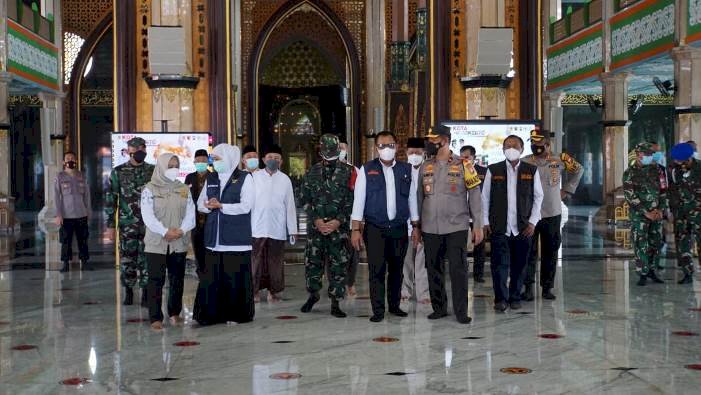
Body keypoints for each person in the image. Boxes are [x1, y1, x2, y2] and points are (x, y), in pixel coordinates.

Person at [417, 125, 484, 324]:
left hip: (457, 225)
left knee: (458, 269)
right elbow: (419, 197)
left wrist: (478, 225)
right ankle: (439, 308)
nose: (430, 143)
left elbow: (475, 196)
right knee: (433, 268)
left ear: (445, 140)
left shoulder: (465, 165)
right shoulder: (425, 166)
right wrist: (417, 226)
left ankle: (461, 311)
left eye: (433, 139)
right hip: (430, 227)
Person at [351, 131, 418, 322]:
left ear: (397, 147)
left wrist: (416, 226)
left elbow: (412, 199)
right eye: (382, 146)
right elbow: (359, 201)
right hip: (375, 229)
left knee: (397, 269)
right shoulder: (366, 169)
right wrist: (356, 230)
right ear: (376, 148)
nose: (386, 149)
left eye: (390, 145)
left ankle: (395, 305)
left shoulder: (407, 169)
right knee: (377, 270)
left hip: (399, 228)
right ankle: (378, 310)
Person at [194, 144, 256, 325]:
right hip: (214, 238)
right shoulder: (211, 177)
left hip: (236, 238)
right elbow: (199, 204)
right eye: (213, 159)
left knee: (234, 278)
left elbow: (246, 206)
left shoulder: (244, 178)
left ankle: (237, 314)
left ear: (229, 159)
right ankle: (211, 315)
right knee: (213, 279)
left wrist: (222, 206)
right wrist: (208, 204)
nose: (214, 162)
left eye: (217, 159)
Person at [482, 135, 543, 312]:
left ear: (522, 149)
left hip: (523, 227)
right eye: (507, 146)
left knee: (520, 265)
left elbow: (538, 197)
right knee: (499, 265)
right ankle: (500, 299)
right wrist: (486, 221)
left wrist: (532, 222)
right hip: (500, 227)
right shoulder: (493, 170)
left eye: (514, 146)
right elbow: (485, 198)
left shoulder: (531, 170)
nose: (511, 149)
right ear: (502, 149)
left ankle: (515, 296)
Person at [521, 130, 583, 301]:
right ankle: (527, 287)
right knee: (528, 252)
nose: (536, 148)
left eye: (539, 145)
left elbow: (579, 170)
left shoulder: (560, 160)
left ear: (548, 145)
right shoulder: (525, 161)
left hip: (552, 212)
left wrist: (568, 189)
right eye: (533, 144)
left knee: (551, 251)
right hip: (530, 214)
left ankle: (547, 287)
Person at [299, 134, 356, 318]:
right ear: (321, 150)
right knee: (312, 264)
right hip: (316, 230)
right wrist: (316, 219)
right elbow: (304, 199)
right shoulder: (312, 172)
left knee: (338, 266)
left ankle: (336, 302)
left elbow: (353, 201)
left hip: (338, 230)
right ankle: (313, 295)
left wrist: (338, 221)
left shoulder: (349, 171)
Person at [141, 153, 196, 330]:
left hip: (178, 241)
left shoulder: (183, 189)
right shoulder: (149, 189)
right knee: (155, 280)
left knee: (177, 279)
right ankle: (155, 317)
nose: (173, 169)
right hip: (156, 243)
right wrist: (165, 232)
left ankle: (174, 313)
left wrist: (180, 231)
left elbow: (190, 214)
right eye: (170, 165)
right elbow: (147, 216)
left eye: (176, 165)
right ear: (161, 166)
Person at [106, 137, 155, 305]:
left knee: (147, 259)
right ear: (129, 151)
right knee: (127, 258)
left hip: (149, 224)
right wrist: (110, 226)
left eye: (142, 148)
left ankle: (146, 293)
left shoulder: (153, 171)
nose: (139, 151)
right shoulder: (118, 172)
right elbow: (110, 198)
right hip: (127, 225)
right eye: (135, 149)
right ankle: (128, 290)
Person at [251, 144, 298, 303]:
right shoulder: (254, 177)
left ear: (281, 161)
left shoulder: (285, 180)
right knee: (255, 261)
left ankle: (274, 292)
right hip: (257, 226)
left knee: (275, 262)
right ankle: (254, 291)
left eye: (276, 158)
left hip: (277, 227)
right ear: (263, 159)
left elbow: (290, 205)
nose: (273, 160)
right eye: (270, 157)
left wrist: (292, 229)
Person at [623, 142, 667, 286]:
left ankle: (652, 271)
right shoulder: (629, 172)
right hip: (640, 215)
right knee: (640, 243)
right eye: (646, 154)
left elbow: (663, 191)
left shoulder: (657, 170)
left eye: (650, 154)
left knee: (656, 242)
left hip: (656, 214)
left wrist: (660, 209)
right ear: (638, 154)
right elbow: (630, 196)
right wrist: (645, 212)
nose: (649, 156)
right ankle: (642, 273)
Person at [402, 137, 430, 304]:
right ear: (406, 153)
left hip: (425, 222)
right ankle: (404, 291)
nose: (414, 155)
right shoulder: (401, 170)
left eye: (418, 153)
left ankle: (424, 294)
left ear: (423, 153)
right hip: (404, 223)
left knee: (422, 260)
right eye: (411, 152)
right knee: (405, 260)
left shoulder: (429, 169)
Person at [54, 151, 92, 273]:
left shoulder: (82, 176)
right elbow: (56, 197)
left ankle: (85, 262)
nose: (70, 160)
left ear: (76, 161)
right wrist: (58, 215)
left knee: (83, 239)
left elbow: (87, 196)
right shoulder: (59, 177)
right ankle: (65, 263)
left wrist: (88, 212)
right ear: (63, 162)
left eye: (72, 158)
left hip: (81, 213)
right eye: (68, 158)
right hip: (66, 215)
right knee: (66, 241)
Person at [668, 143, 700, 285]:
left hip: (698, 213)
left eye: (678, 159)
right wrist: (671, 209)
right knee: (683, 243)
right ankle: (687, 272)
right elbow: (672, 190)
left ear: (687, 159)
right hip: (681, 213)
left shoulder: (699, 169)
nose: (675, 162)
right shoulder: (675, 170)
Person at [460, 145, 488, 283]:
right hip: (461, 215)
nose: (464, 159)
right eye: (462, 156)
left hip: (478, 214)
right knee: (461, 246)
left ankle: (479, 274)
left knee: (479, 245)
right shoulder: (456, 169)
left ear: (474, 157)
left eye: (467, 157)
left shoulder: (483, 171)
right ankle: (462, 272)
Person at [185, 149, 211, 275]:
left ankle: (210, 275)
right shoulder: (189, 177)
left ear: (208, 162)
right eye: (198, 160)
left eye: (204, 161)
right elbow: (184, 196)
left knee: (209, 251)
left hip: (210, 221)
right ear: (194, 161)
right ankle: (200, 274)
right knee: (198, 249)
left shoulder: (214, 177)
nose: (201, 163)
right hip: (195, 221)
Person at [339, 139, 360, 296]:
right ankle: (336, 283)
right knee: (333, 253)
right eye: (338, 148)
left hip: (351, 218)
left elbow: (361, 196)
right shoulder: (324, 170)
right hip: (332, 220)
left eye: (343, 148)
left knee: (352, 252)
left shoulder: (355, 171)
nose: (340, 150)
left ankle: (350, 283)